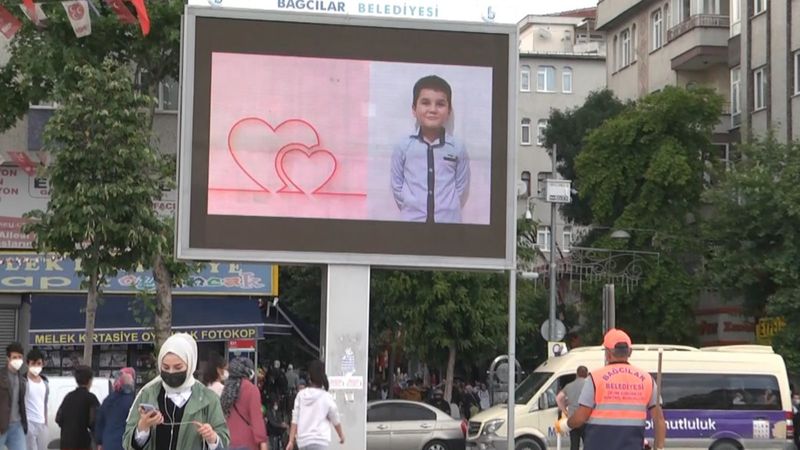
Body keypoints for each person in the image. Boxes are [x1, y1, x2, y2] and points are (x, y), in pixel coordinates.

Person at [556, 329, 666, 450]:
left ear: (607, 353)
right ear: (630, 352)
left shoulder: (595, 378)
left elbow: (581, 417)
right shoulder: (647, 380)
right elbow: (659, 420)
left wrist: (565, 425)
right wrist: (658, 447)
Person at [123, 333, 230, 450]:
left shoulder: (208, 399)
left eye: (178, 367)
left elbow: (223, 441)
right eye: (165, 367)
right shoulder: (148, 394)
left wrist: (212, 438)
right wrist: (142, 428)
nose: (171, 372)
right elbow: (127, 442)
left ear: (189, 366)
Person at [390, 75, 470, 224]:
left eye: (440, 104)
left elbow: (461, 187)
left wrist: (447, 208)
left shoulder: (457, 148)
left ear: (449, 111)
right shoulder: (403, 147)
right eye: (425, 103)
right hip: (412, 224)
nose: (432, 109)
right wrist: (412, 206)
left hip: (448, 226)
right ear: (414, 109)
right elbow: (397, 186)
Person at [285, 360, 344, 450]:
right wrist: (341, 435)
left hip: (303, 441)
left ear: (309, 377)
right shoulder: (326, 396)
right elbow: (335, 417)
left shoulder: (301, 395)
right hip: (320, 440)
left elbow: (295, 419)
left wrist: (291, 441)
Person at [220, 357, 267, 450]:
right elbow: (256, 419)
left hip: (227, 441)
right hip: (247, 442)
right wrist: (262, 441)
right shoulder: (251, 389)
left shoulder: (225, 390)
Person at [56, 365, 100, 450]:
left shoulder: (68, 397)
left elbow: (58, 418)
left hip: (66, 442)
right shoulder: (91, 398)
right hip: (81, 443)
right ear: (90, 380)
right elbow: (94, 422)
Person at [96, 368, 136, 450]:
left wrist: (99, 442)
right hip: (123, 444)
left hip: (108, 443)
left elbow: (99, 422)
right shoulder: (132, 402)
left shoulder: (108, 400)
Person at [0, 342, 27, 450]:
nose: (17, 360)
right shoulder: (1, 376)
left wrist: (24, 424)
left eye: (19, 357)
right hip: (1, 426)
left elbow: (21, 403)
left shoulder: (22, 380)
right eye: (14, 357)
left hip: (17, 425)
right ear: (8, 358)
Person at [556, 366, 588, 450]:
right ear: (587, 374)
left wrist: (564, 411)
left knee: (574, 445)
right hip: (586, 419)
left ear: (577, 374)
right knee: (588, 444)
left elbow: (558, 398)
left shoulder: (569, 386)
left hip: (572, 419)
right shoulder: (589, 385)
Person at [25, 348, 49, 450]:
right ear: (28, 364)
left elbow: (45, 403)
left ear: (43, 364)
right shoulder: (23, 382)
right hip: (28, 422)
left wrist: (45, 422)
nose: (36, 366)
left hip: (42, 423)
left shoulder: (45, 383)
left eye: (39, 363)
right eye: (33, 363)